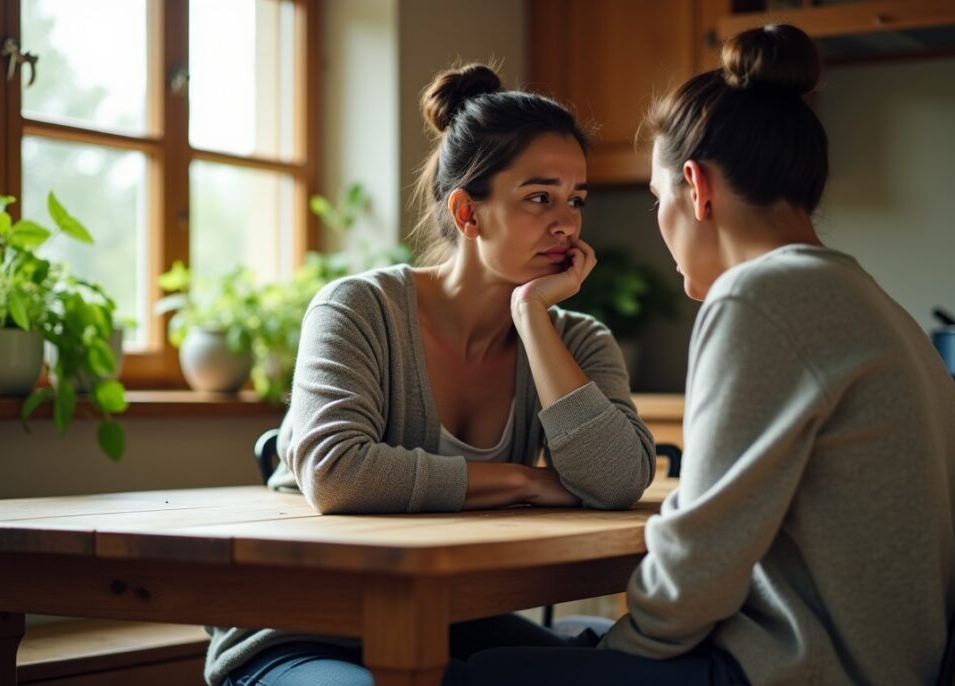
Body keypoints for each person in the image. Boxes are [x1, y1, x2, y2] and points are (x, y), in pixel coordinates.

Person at [448, 24, 955, 686]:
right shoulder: (873, 303)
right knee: (510, 648)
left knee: (476, 675)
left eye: (656, 198)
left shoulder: (760, 297)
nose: (660, 222)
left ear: (695, 188)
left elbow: (699, 560)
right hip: (883, 666)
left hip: (798, 672)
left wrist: (619, 651)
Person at [204, 63, 657, 686]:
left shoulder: (575, 338)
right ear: (468, 213)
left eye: (575, 200)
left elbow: (618, 480)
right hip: (298, 627)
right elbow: (338, 474)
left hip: (448, 617)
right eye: (539, 198)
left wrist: (530, 315)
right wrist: (525, 480)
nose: (567, 224)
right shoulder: (357, 310)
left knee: (621, 671)